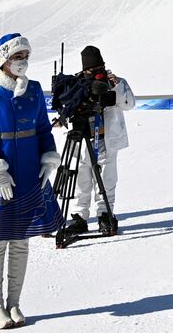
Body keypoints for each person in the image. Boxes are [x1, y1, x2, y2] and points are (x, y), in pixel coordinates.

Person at [0, 33, 61, 329]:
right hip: (1, 177)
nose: (23, 62)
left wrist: (48, 158)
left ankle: (14, 304)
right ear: (3, 59)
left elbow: (44, 129)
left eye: (26, 56)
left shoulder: (33, 89)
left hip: (31, 173)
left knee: (21, 241)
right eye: (17, 57)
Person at [63, 46, 135, 239]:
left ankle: (105, 215)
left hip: (106, 138)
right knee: (81, 179)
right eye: (91, 70)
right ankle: (79, 217)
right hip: (83, 138)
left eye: (99, 68)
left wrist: (117, 86)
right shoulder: (78, 84)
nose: (96, 73)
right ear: (84, 70)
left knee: (107, 179)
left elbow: (129, 104)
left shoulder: (115, 82)